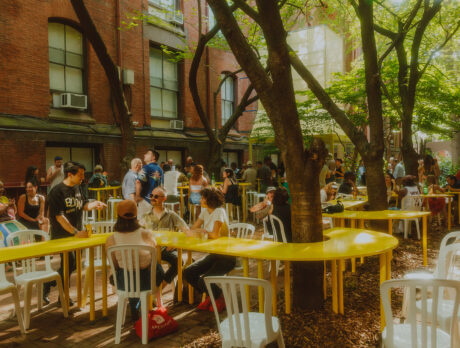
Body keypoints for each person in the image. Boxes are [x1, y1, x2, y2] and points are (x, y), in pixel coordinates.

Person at [43, 161, 106, 305]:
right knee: (69, 263)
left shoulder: (78, 188)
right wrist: (76, 232)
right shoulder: (56, 191)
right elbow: (59, 217)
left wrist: (94, 205)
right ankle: (63, 297)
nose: (82, 178)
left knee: (74, 265)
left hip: (77, 233)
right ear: (70, 174)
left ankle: (50, 283)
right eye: (80, 175)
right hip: (63, 235)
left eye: (83, 175)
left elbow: (83, 205)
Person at [105, 200, 164, 322]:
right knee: (156, 266)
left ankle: (134, 306)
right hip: (147, 282)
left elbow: (114, 265)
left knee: (125, 271)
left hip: (124, 284)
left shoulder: (111, 239)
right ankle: (144, 304)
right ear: (136, 215)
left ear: (118, 216)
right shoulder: (146, 234)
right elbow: (154, 259)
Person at [183, 187, 235, 313]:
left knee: (204, 279)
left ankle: (219, 297)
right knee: (188, 272)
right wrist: (200, 231)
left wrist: (201, 231)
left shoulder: (219, 211)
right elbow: (193, 228)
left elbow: (215, 235)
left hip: (226, 256)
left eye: (202, 197)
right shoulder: (205, 211)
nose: (200, 200)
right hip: (213, 255)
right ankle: (213, 296)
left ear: (209, 199)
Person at [141, 187, 189, 288]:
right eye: (151, 196)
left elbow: (186, 230)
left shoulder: (171, 215)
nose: (153, 198)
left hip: (166, 250)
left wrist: (174, 243)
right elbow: (138, 233)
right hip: (150, 251)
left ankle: (160, 287)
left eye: (156, 196)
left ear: (164, 199)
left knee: (179, 261)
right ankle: (147, 293)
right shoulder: (145, 216)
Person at [136, 149, 163, 220]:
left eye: (147, 154)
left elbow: (138, 182)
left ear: (153, 157)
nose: (144, 155)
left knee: (142, 222)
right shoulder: (160, 169)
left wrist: (138, 196)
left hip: (145, 200)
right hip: (157, 201)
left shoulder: (145, 168)